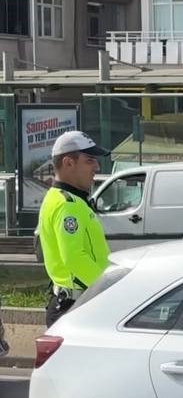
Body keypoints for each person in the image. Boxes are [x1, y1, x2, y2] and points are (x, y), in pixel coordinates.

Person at [37, 130, 111, 326]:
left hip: (78, 303)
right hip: (74, 306)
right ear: (68, 162)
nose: (97, 166)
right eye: (89, 160)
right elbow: (74, 257)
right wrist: (109, 288)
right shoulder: (66, 203)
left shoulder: (71, 200)